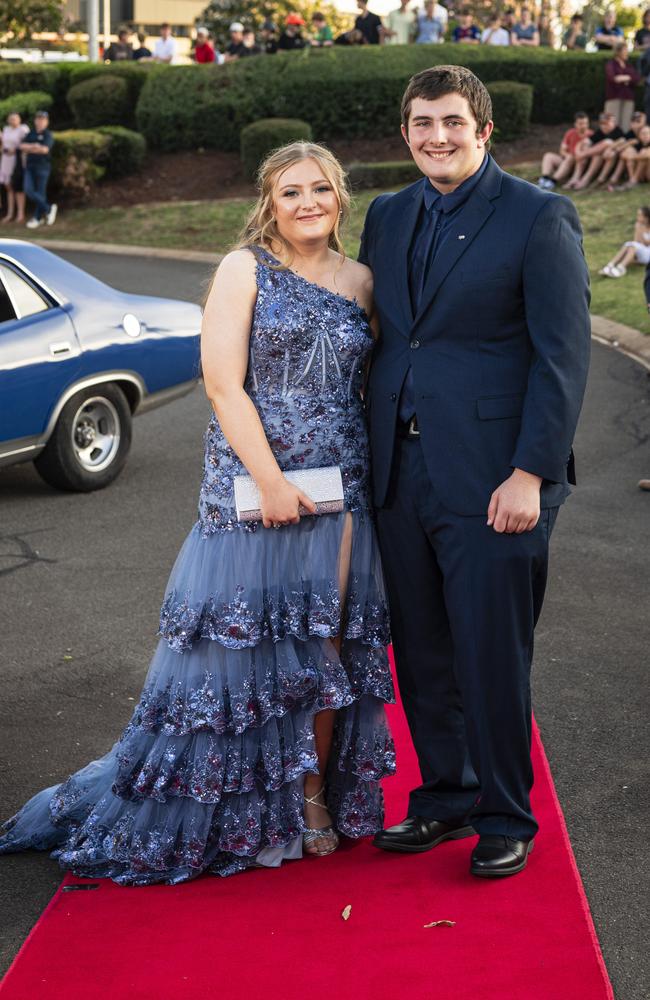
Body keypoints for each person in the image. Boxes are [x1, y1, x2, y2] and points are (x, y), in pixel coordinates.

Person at [0, 141, 395, 882]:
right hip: (251, 485)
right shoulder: (245, 268)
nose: (307, 202)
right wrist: (272, 481)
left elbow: (369, 385)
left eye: (319, 189)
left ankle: (309, 800)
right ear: (268, 204)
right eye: (290, 193)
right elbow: (223, 385)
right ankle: (230, 804)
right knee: (237, 653)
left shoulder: (363, 281)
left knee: (326, 650)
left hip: (340, 488)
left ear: (340, 196)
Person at [359, 64, 590, 879]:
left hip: (497, 476)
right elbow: (387, 338)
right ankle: (446, 799)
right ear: (406, 132)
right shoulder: (386, 216)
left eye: (452, 122)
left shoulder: (539, 216)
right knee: (421, 651)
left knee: (491, 653)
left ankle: (504, 812)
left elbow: (562, 359)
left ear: (483, 130)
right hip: (398, 469)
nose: (437, 137)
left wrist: (531, 472)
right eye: (422, 123)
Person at [564, 111, 625, 190]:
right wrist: (578, 150)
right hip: (597, 158)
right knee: (590, 149)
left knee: (607, 143)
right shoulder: (599, 132)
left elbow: (622, 142)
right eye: (602, 124)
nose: (604, 126)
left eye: (607, 123)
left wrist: (582, 154)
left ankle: (590, 179)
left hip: (611, 159)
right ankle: (577, 177)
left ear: (613, 123)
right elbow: (584, 141)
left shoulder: (618, 132)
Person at [537, 111, 592, 189]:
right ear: (575, 124)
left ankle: (552, 182)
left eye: (585, 123)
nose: (583, 126)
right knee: (548, 156)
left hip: (578, 164)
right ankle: (544, 179)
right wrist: (567, 155)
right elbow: (562, 150)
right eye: (580, 123)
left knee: (570, 158)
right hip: (566, 161)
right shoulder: (570, 133)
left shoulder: (591, 135)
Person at [21, 111, 57, 230]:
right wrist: (35, 146)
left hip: (43, 167)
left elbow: (45, 150)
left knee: (41, 193)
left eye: (43, 119)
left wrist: (30, 148)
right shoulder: (30, 133)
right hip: (30, 166)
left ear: (47, 121)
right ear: (35, 120)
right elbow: (22, 146)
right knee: (28, 190)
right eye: (39, 119)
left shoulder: (48, 134)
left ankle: (37, 218)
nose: (40, 121)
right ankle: (48, 208)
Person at [599, 206, 650, 277]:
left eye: (639, 215)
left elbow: (646, 243)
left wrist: (641, 231)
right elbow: (636, 241)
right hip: (641, 250)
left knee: (631, 245)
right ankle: (611, 265)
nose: (637, 217)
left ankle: (620, 268)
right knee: (629, 245)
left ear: (646, 217)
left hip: (648, 254)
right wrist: (638, 229)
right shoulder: (638, 225)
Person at [605, 42, 641, 133]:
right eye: (625, 50)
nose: (627, 52)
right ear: (618, 52)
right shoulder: (611, 64)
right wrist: (628, 77)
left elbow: (636, 78)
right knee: (612, 122)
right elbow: (612, 78)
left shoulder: (628, 65)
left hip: (628, 97)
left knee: (626, 123)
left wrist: (625, 78)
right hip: (614, 97)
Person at [605, 111, 648, 189]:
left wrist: (632, 156)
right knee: (628, 151)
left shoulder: (646, 133)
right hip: (638, 168)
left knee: (641, 153)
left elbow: (646, 154)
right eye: (634, 121)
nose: (636, 124)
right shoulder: (632, 134)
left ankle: (629, 180)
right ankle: (629, 180)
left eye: (639, 121)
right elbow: (622, 140)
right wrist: (611, 149)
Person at [1, 111, 28, 224]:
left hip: (17, 161)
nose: (13, 121)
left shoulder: (23, 129)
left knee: (18, 187)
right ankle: (10, 213)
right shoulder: (6, 129)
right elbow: (3, 144)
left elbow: (25, 144)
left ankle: (20, 214)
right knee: (9, 187)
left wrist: (15, 150)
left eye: (15, 118)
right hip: (6, 159)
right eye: (11, 119)